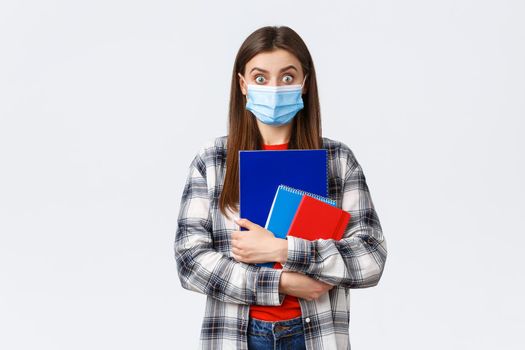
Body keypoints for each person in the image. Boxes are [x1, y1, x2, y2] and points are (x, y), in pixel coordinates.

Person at [174, 25, 387, 350]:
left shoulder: (338, 161)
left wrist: (282, 250)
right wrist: (281, 282)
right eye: (260, 78)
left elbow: (371, 258)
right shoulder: (213, 160)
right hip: (238, 335)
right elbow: (190, 261)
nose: (274, 88)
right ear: (243, 84)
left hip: (314, 335)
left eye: (287, 77)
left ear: (304, 83)